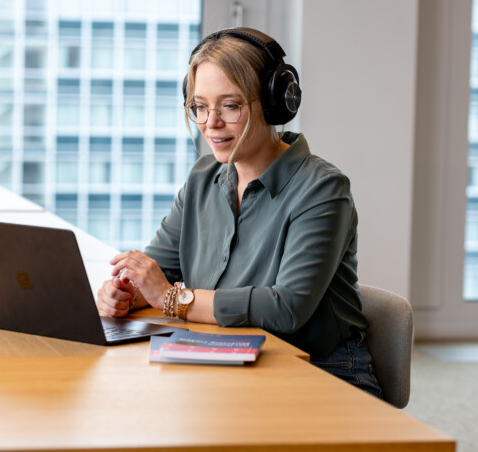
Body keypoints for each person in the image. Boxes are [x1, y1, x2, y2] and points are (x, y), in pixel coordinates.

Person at [96, 27, 381, 398]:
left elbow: (286, 308)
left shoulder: (323, 188)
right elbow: (159, 273)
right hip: (225, 356)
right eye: (199, 107)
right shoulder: (203, 178)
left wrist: (172, 299)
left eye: (229, 105)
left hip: (318, 368)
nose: (210, 123)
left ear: (274, 103)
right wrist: (126, 293)